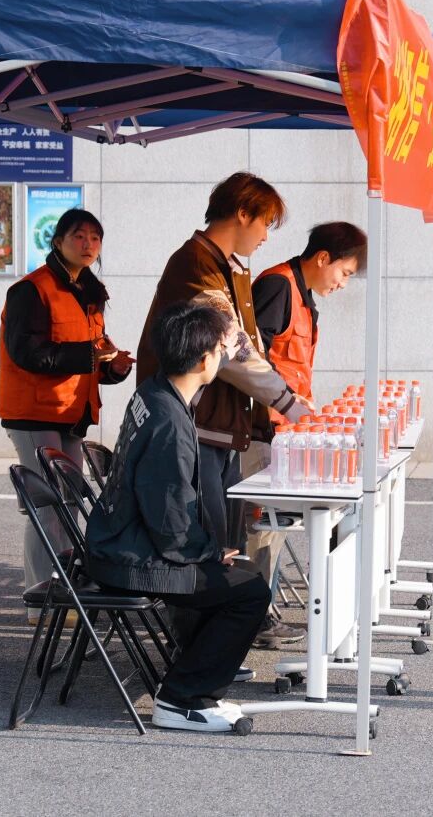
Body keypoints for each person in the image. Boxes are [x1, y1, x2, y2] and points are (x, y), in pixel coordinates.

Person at [86, 302, 272, 733]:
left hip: (118, 544)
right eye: (221, 350)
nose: (224, 356)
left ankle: (197, 678)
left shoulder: (154, 392)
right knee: (248, 592)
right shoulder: (170, 421)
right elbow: (170, 520)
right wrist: (207, 552)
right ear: (204, 360)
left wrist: (208, 551)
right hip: (131, 561)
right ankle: (181, 698)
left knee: (236, 575)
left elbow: (166, 510)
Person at [135, 173, 312, 557]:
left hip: (216, 424)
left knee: (225, 538)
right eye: (266, 223)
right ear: (243, 213)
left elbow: (245, 345)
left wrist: (282, 397)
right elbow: (233, 347)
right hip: (193, 423)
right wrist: (286, 401)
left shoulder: (224, 266)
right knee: (209, 539)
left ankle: (224, 593)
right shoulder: (195, 263)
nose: (265, 236)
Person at [0, 209, 133, 620]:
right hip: (33, 413)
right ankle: (42, 601)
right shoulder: (30, 290)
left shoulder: (89, 292)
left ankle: (64, 589)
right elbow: (27, 353)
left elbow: (92, 353)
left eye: (95, 237)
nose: (88, 243)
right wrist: (90, 355)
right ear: (58, 241)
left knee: (69, 502)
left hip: (71, 413)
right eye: (79, 235)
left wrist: (113, 367)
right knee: (47, 505)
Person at [246, 221, 367, 648]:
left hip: (284, 428)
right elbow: (251, 356)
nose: (343, 283)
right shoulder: (278, 286)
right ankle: (254, 619)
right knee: (261, 527)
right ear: (322, 258)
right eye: (344, 273)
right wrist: (285, 398)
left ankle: (261, 612)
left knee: (272, 527)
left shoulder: (301, 294)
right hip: (261, 427)